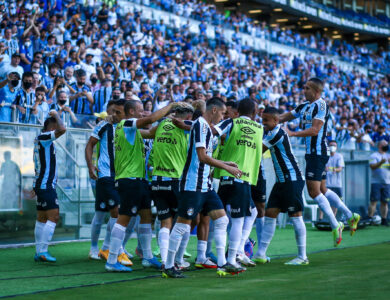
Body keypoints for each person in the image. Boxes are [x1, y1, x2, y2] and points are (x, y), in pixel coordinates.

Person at [162, 97, 244, 278]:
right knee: (182, 225)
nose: (222, 117)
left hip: (205, 185)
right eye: (222, 113)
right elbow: (202, 157)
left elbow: (206, 157)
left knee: (222, 220)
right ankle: (168, 265)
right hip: (193, 184)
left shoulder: (205, 127)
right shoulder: (200, 125)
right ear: (214, 110)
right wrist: (226, 167)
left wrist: (224, 162)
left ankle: (223, 263)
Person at [105, 101, 183, 272]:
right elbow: (150, 119)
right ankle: (111, 259)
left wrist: (166, 120)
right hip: (129, 179)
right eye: (140, 110)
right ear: (131, 111)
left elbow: (151, 132)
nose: (143, 113)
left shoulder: (132, 130)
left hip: (139, 179)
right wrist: (171, 106)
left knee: (146, 216)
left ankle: (147, 256)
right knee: (124, 218)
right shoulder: (126, 124)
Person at [281, 78, 360, 247]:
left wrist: (292, 134)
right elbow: (285, 116)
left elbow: (315, 130)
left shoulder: (321, 105)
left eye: (307, 88)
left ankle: (335, 224)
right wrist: (269, 119)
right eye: (304, 87)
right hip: (313, 154)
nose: (304, 90)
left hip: (318, 153)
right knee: (323, 189)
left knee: (313, 191)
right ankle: (349, 215)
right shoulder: (304, 106)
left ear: (317, 92)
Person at [254, 107, 308, 265]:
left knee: (296, 217)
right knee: (270, 214)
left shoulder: (277, 133)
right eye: (262, 120)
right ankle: (261, 254)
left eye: (266, 120)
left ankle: (302, 256)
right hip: (282, 181)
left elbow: (258, 150)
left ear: (276, 121)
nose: (263, 124)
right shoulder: (271, 132)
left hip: (292, 179)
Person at [213, 98, 263, 268]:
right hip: (242, 179)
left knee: (219, 218)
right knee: (238, 220)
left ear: (237, 111)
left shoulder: (231, 122)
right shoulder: (259, 128)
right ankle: (232, 258)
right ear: (254, 113)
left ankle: (214, 255)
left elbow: (212, 131)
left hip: (225, 177)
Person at [144, 104, 194, 267]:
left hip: (157, 180)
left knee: (165, 222)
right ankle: (178, 260)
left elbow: (147, 133)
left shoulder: (161, 125)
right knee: (184, 221)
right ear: (187, 117)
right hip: (176, 180)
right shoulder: (187, 129)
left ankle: (166, 261)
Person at [85, 99, 133, 265]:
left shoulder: (127, 127)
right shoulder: (103, 126)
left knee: (108, 213)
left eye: (119, 111)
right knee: (110, 213)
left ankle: (106, 247)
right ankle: (103, 249)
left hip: (121, 176)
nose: (115, 115)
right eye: (113, 111)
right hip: (105, 175)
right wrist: (91, 165)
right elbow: (89, 145)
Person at [33, 110, 66, 262]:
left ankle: (39, 251)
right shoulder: (45, 137)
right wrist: (57, 115)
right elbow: (63, 129)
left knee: (42, 218)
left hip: (42, 184)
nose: (56, 129)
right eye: (54, 126)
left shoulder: (40, 139)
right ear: (50, 127)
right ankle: (43, 250)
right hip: (45, 185)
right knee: (54, 216)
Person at [319, 141, 345, 220]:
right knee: (323, 200)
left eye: (334, 145)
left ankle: (333, 218)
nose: (332, 147)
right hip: (325, 184)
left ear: (336, 147)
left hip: (336, 184)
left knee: (335, 201)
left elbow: (340, 168)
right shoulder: (325, 156)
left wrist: (336, 169)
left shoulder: (339, 156)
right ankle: (321, 218)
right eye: (331, 145)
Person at [368, 140, 390, 226]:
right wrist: (381, 162)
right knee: (374, 201)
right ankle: (370, 218)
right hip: (376, 182)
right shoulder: (374, 155)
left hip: (387, 182)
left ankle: (384, 219)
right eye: (384, 144)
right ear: (380, 145)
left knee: (385, 202)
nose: (386, 145)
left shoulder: (388, 155)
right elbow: (372, 166)